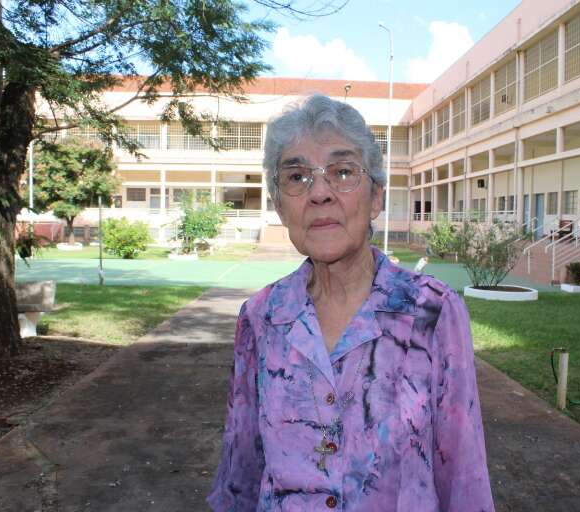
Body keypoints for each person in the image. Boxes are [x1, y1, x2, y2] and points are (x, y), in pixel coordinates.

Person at [207, 94, 494, 511]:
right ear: (280, 208)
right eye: (297, 177)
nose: (319, 193)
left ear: (376, 197)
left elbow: (465, 477)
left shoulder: (432, 312)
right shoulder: (261, 317)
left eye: (342, 172)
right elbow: (241, 474)